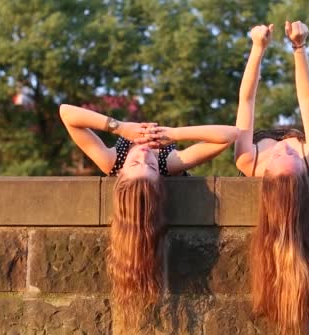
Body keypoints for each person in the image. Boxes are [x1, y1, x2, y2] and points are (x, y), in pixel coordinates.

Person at [59, 104, 238, 320]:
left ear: (121, 174)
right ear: (160, 176)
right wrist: (172, 134)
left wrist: (119, 127)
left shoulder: (112, 162)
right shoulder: (169, 164)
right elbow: (230, 135)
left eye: (136, 163)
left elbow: (66, 113)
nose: (144, 155)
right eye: (151, 167)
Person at [234, 21, 309, 335]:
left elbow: (246, 102)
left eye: (280, 159)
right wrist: (299, 47)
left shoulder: (249, 161)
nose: (284, 153)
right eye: (291, 157)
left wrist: (257, 48)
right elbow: (307, 104)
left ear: (265, 177)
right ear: (304, 174)